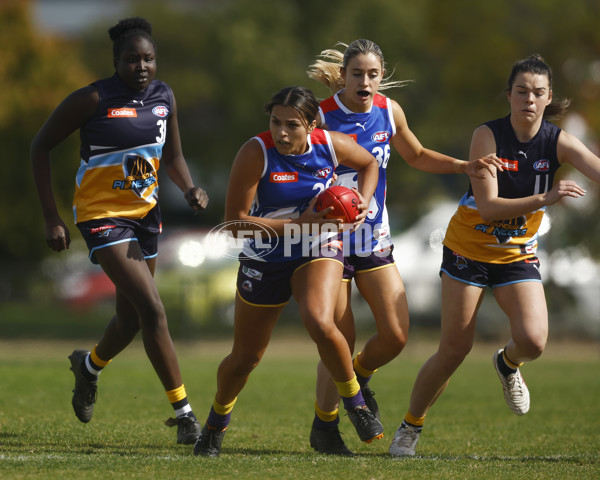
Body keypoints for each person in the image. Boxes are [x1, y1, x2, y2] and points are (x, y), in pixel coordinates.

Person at [389, 54, 599, 457]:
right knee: (454, 349)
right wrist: (547, 197)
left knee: (534, 341)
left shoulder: (558, 142)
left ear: (549, 96)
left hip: (515, 254)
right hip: (468, 250)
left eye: (538, 93)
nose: (529, 100)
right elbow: (487, 207)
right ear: (509, 95)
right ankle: (409, 428)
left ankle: (507, 363)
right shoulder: (487, 136)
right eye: (521, 91)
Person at [306, 39, 502, 456]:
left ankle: (354, 382)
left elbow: (415, 154)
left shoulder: (389, 111)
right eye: (356, 73)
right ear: (343, 75)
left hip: (373, 236)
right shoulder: (320, 115)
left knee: (396, 335)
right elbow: (298, 167)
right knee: (341, 335)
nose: (364, 81)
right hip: (329, 238)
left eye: (372, 74)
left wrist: (463, 166)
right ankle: (325, 427)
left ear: (382, 76)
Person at [30, 17, 209, 445]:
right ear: (116, 61)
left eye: (148, 58)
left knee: (129, 320)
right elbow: (39, 146)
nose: (142, 66)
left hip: (145, 216)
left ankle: (88, 366)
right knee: (153, 309)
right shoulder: (92, 98)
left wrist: (190, 188)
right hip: (102, 217)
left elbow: (174, 157)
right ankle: (185, 416)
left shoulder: (164, 97)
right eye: (132, 59)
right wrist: (51, 216)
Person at [193, 86, 381, 457]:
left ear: (312, 125)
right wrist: (300, 222)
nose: (281, 132)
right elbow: (234, 224)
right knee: (245, 358)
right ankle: (215, 424)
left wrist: (363, 200)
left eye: (291, 125)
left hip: (317, 245)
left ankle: (356, 404)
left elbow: (369, 163)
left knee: (320, 321)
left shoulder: (330, 144)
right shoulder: (255, 152)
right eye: (275, 122)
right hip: (266, 255)